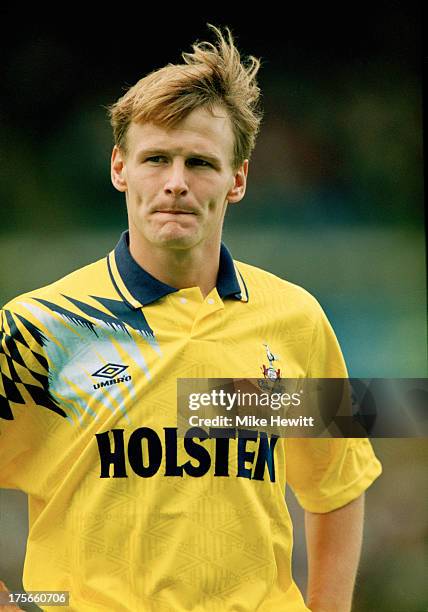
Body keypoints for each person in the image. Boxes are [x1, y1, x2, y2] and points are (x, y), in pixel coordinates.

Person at [0, 24, 382, 612]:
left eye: (200, 162)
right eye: (156, 158)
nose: (176, 183)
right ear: (120, 169)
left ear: (238, 180)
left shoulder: (296, 319)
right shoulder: (38, 326)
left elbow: (337, 485)